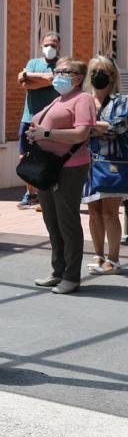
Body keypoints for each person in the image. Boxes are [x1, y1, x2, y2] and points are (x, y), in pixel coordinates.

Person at [25, 57, 95, 294]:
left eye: (64, 71)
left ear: (78, 76)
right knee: (52, 221)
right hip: (47, 167)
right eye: (57, 71)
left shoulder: (82, 99)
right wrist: (35, 135)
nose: (58, 75)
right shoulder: (59, 98)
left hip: (69, 167)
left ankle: (72, 276)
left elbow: (80, 134)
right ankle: (58, 270)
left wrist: (45, 132)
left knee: (67, 221)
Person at [82, 56, 127, 275]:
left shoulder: (121, 102)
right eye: (94, 71)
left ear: (112, 76)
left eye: (103, 71)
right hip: (87, 164)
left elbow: (117, 127)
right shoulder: (84, 100)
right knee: (93, 212)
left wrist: (87, 127)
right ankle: (98, 255)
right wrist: (95, 127)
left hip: (112, 164)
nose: (98, 75)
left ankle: (114, 259)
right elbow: (74, 127)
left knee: (110, 212)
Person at [17, 32, 62, 209]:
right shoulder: (33, 63)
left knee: (45, 157)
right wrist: (44, 80)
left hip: (49, 119)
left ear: (59, 47)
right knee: (24, 156)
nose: (49, 48)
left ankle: (46, 194)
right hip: (28, 118)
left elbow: (52, 79)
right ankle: (31, 193)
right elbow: (23, 82)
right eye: (46, 44)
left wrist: (31, 77)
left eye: (53, 45)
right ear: (41, 46)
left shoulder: (62, 65)